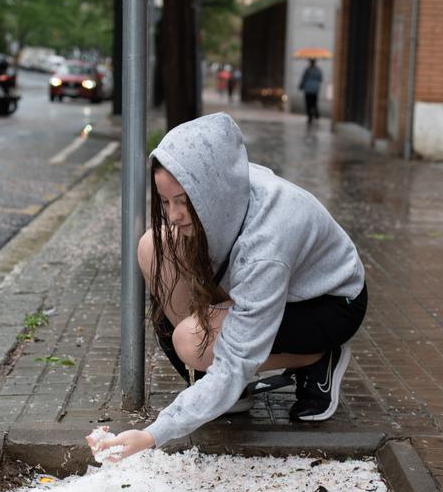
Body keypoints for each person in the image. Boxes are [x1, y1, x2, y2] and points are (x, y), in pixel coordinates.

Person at [88, 112, 367, 462]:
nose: (173, 215)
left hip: (326, 303)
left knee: (192, 341)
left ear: (207, 191)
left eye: (182, 201)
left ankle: (319, 356)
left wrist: (152, 434)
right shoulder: (227, 186)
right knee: (153, 245)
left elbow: (236, 358)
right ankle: (223, 390)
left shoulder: (267, 241)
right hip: (266, 284)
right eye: (165, 201)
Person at [299, 59, 322, 124]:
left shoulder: (307, 70)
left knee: (308, 104)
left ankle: (310, 117)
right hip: (315, 90)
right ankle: (316, 114)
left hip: (308, 89)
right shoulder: (318, 70)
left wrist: (301, 86)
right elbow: (320, 79)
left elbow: (303, 78)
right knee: (314, 103)